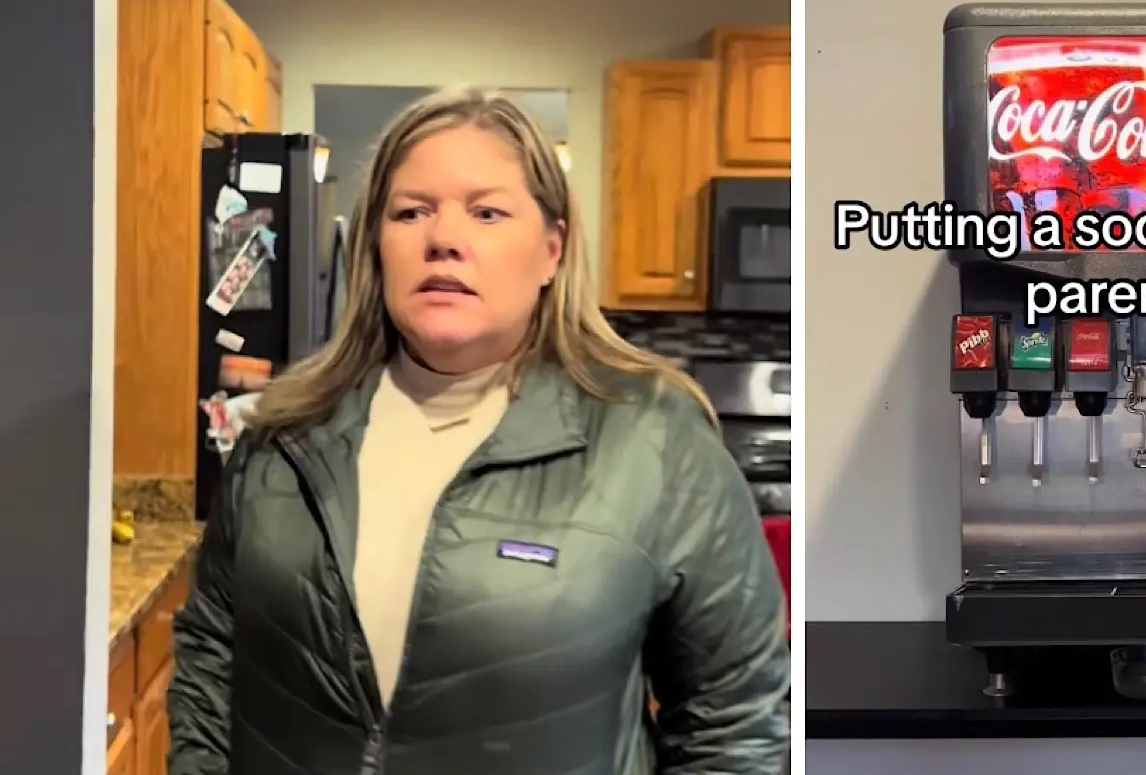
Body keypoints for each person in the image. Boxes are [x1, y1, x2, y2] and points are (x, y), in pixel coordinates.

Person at [165, 87, 790, 775]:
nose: (444, 239)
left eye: (487, 212)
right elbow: (212, 659)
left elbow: (737, 723)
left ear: (552, 250)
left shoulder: (655, 439)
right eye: (412, 212)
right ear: (376, 244)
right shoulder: (285, 435)